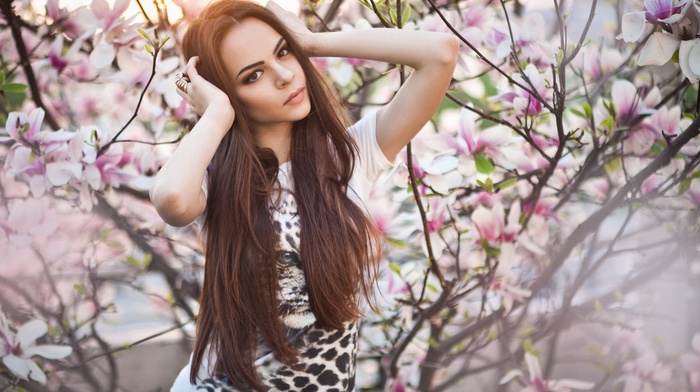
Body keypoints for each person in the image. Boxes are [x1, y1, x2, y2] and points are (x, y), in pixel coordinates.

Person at [150, 0, 457, 390]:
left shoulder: (349, 157)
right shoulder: (219, 184)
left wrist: (309, 41)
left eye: (282, 52)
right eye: (252, 76)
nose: (283, 75)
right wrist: (215, 115)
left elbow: (440, 55)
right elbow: (171, 200)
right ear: (228, 96)